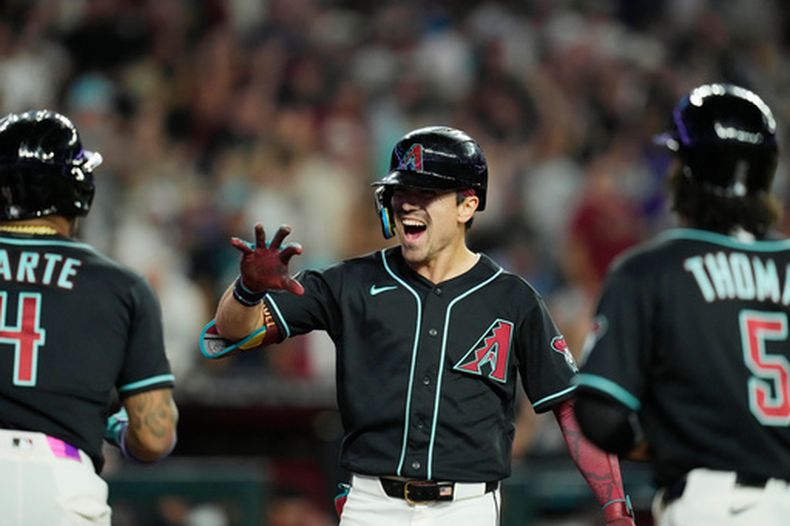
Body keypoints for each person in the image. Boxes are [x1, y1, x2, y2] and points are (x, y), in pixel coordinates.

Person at [201, 126, 636, 525]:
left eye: (426, 192)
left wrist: (616, 506)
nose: (408, 201)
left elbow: (568, 405)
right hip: (370, 504)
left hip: (467, 507)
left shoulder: (512, 298)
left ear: (468, 204)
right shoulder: (350, 282)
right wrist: (247, 290)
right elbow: (233, 330)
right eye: (401, 189)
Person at [574, 83, 790, 526]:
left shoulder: (653, 269)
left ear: (685, 173)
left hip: (714, 503)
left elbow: (600, 413)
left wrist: (664, 438)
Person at [0, 110, 179, 525]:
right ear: (76, 186)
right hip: (59, 482)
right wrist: (116, 429)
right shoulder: (121, 286)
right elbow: (154, 437)